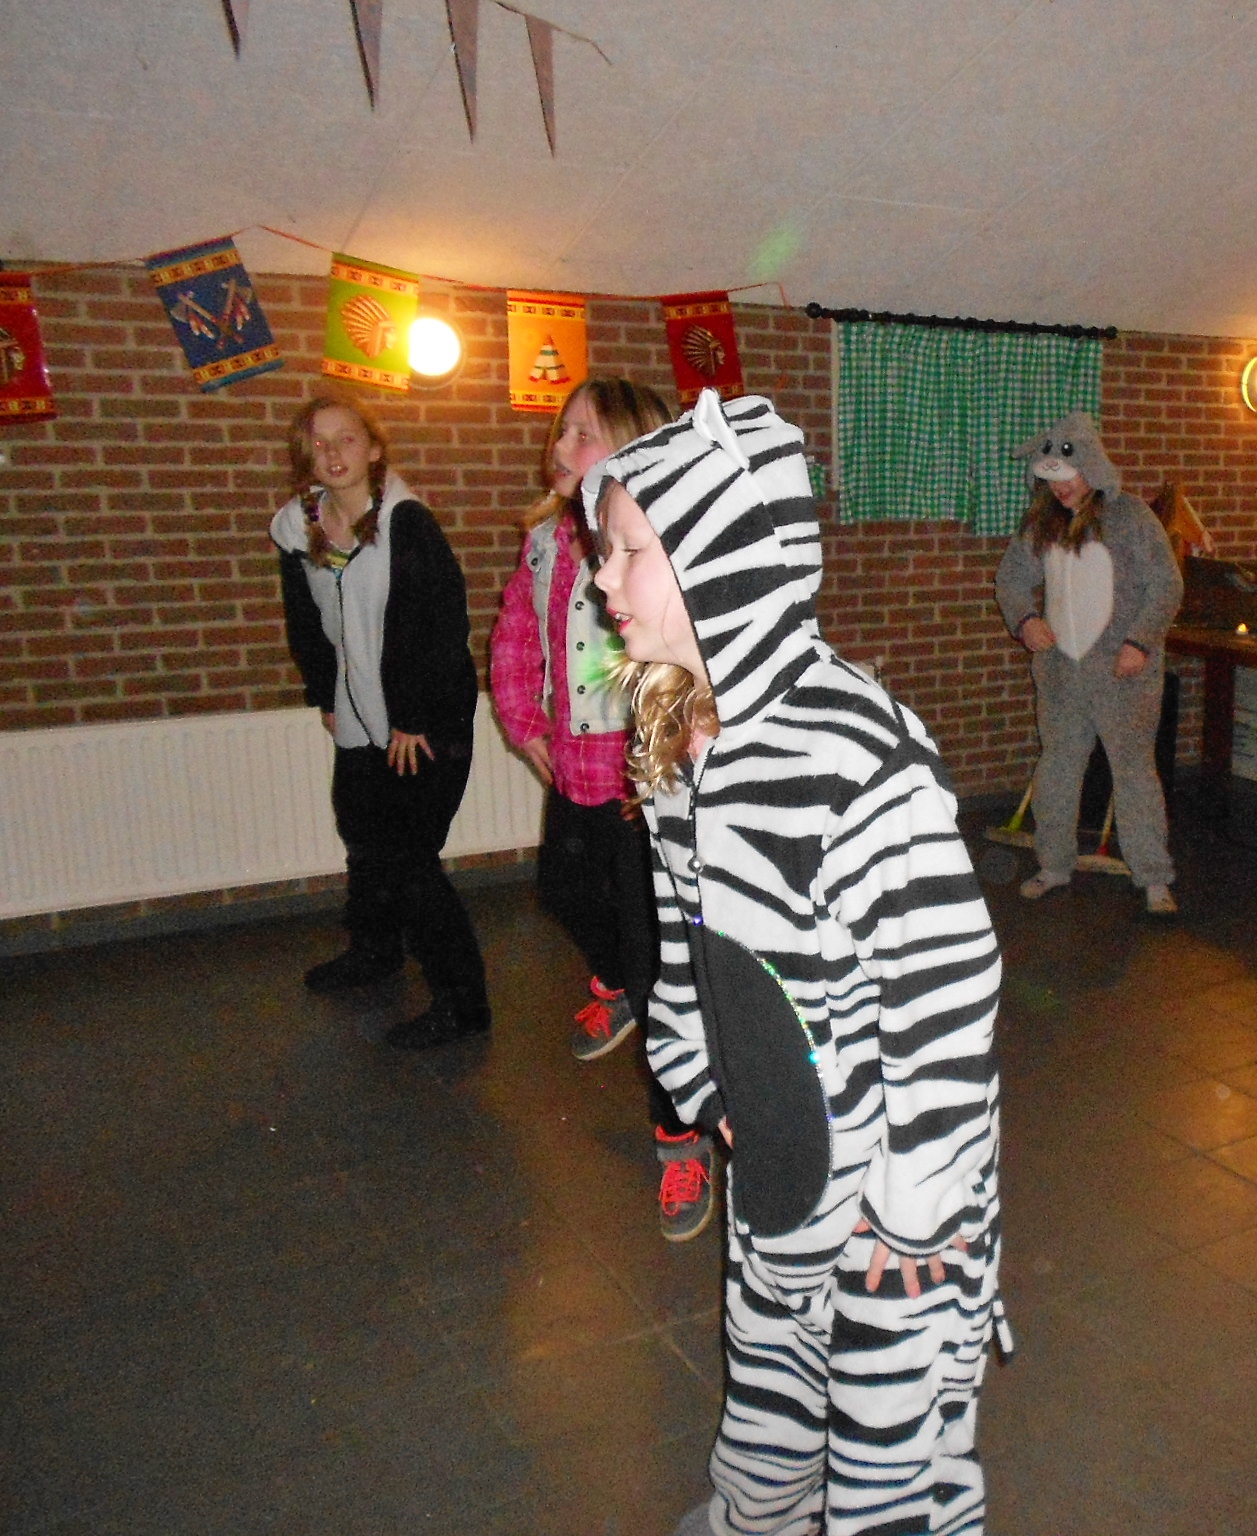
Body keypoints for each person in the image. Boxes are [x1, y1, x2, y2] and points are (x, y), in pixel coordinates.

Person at [590, 390, 1005, 1536]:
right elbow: (686, 948)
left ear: (719, 557)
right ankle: (755, 1516)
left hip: (895, 1189)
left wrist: (912, 1219)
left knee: (890, 1457)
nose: (602, 578)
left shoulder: (856, 755)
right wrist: (706, 1083)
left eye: (628, 551)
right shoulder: (678, 739)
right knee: (769, 1375)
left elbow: (945, 998)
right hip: (777, 1149)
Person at [488, 376, 717, 1242]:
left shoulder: (662, 541)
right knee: (562, 892)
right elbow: (515, 632)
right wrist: (522, 720)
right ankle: (615, 978)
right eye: (562, 431)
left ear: (630, 448)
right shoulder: (549, 540)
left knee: (661, 974)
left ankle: (680, 1137)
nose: (560, 446)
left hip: (640, 778)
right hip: (574, 768)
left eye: (582, 433)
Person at [271, 395, 492, 1048]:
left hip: (424, 717)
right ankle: (375, 949)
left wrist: (412, 718)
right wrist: (324, 694)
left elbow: (441, 624)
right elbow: (305, 620)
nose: (333, 453)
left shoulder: (405, 522)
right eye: (319, 443)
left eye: (347, 439)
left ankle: (462, 1002)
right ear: (306, 457)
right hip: (359, 712)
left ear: (372, 449)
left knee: (410, 858)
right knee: (362, 833)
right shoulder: (299, 526)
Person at [994, 411, 1183, 915]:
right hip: (1061, 673)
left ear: (1092, 467)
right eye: (1050, 478)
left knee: (1134, 772)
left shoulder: (1131, 517)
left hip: (1125, 673)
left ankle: (1153, 877)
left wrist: (1140, 642)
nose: (1060, 488)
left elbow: (1167, 585)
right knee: (1057, 767)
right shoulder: (1042, 524)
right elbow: (1011, 580)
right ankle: (1054, 865)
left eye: (1069, 475)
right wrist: (1026, 620)